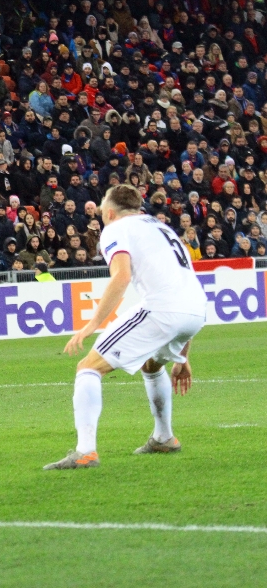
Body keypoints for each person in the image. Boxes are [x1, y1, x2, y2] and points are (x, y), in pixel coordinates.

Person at [46, 185, 206, 470]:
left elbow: (122, 277)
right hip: (196, 310)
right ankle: (164, 437)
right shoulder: (163, 228)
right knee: (152, 366)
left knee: (88, 367)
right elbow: (184, 285)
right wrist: (183, 354)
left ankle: (85, 451)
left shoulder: (115, 229)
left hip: (163, 309)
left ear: (109, 212)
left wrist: (91, 325)